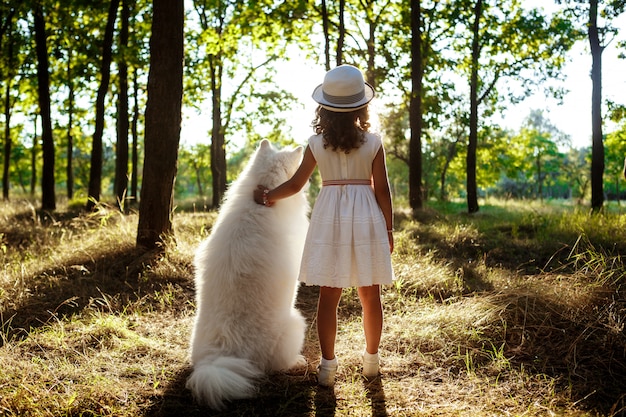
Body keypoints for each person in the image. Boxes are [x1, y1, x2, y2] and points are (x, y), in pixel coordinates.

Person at [253, 64, 395, 387]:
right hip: (365, 218)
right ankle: (371, 361)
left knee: (328, 296)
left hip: (330, 218)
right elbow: (383, 190)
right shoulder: (373, 143)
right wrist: (388, 228)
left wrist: (267, 196)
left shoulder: (316, 143)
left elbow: (295, 184)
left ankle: (327, 367)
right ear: (361, 106)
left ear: (325, 108)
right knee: (370, 294)